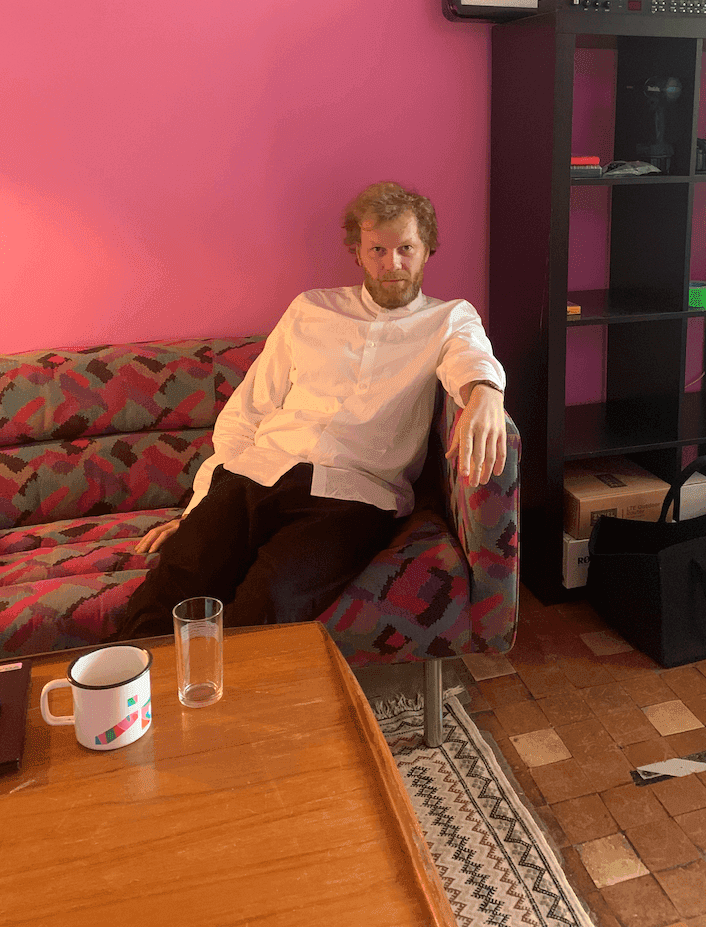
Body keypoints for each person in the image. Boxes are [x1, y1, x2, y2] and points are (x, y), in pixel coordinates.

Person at [118, 181, 506, 638]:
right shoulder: (310, 308)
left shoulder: (449, 318)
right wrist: (199, 509)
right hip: (256, 476)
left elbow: (472, 357)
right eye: (377, 250)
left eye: (406, 248)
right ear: (357, 253)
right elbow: (247, 411)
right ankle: (126, 684)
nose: (392, 264)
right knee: (175, 579)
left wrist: (486, 393)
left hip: (352, 497)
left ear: (427, 251)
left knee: (268, 604)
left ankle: (226, 687)